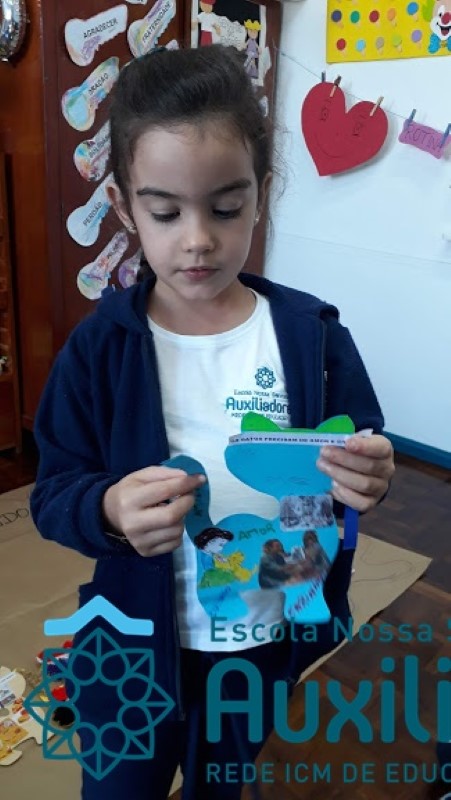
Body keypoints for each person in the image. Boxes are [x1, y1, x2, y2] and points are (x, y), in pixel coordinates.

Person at [30, 45, 395, 800]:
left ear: (261, 192)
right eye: (165, 212)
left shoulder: (310, 333)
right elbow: (54, 490)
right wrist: (107, 508)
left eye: (225, 208)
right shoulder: (101, 348)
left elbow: (358, 445)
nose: (197, 239)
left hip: (263, 638)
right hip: (131, 644)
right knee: (118, 789)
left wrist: (369, 475)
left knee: (223, 785)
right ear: (124, 206)